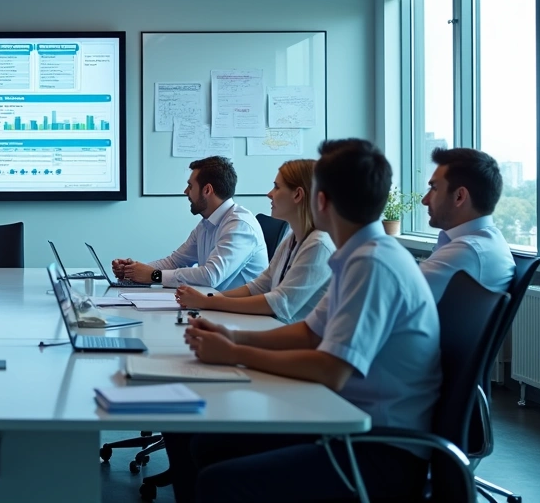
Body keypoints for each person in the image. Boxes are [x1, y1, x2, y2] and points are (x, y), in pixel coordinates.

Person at [163, 139, 440, 502]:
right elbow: (311, 333)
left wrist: (233, 354)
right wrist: (231, 336)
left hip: (378, 449)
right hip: (343, 417)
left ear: (319, 200)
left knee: (218, 480)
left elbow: (331, 370)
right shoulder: (358, 254)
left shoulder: (372, 264)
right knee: (205, 443)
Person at [174, 159, 334, 323]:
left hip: (295, 337)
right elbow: (259, 287)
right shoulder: (292, 239)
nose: (269, 194)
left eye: (277, 187)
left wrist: (209, 302)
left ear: (297, 194)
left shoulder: (318, 245)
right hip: (274, 326)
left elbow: (278, 303)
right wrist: (207, 298)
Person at [113, 156, 268, 290]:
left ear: (207, 190)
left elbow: (211, 276)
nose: (185, 192)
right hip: (217, 306)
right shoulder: (206, 223)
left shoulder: (239, 226)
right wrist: (134, 270)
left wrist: (154, 275)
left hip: (240, 316)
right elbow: (175, 262)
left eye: (190, 186)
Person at [419, 147, 515, 300]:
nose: (425, 200)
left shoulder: (466, 251)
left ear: (459, 196)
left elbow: (389, 299)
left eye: (434, 188)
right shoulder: (488, 240)